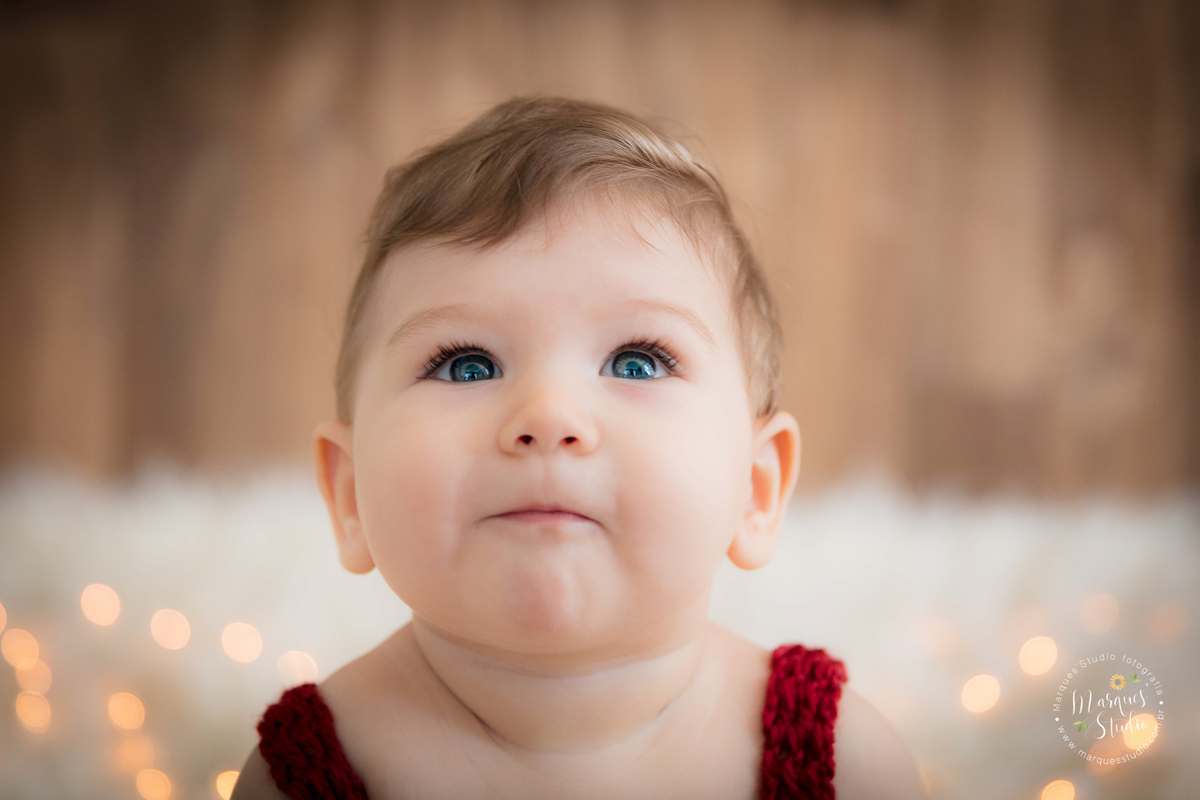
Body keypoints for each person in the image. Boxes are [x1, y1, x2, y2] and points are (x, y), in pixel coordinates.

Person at [232, 96, 925, 800]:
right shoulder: (302, 777)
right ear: (350, 495)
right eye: (466, 364)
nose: (548, 416)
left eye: (636, 362)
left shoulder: (842, 763)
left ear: (756, 488)